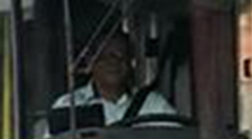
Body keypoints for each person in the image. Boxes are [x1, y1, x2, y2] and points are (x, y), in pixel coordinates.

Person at [41, 32, 177, 132]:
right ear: (91, 62)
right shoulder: (68, 106)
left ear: (131, 63)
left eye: (121, 56)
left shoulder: (154, 105)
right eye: (105, 56)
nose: (113, 63)